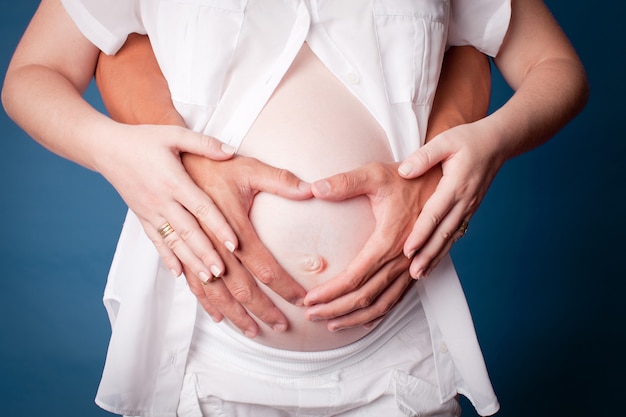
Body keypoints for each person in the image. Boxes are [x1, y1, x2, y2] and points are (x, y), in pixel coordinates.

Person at [1, 1, 588, 416]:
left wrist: (487, 145)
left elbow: (555, 68)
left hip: (396, 353)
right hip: (206, 353)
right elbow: (33, 73)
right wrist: (119, 155)